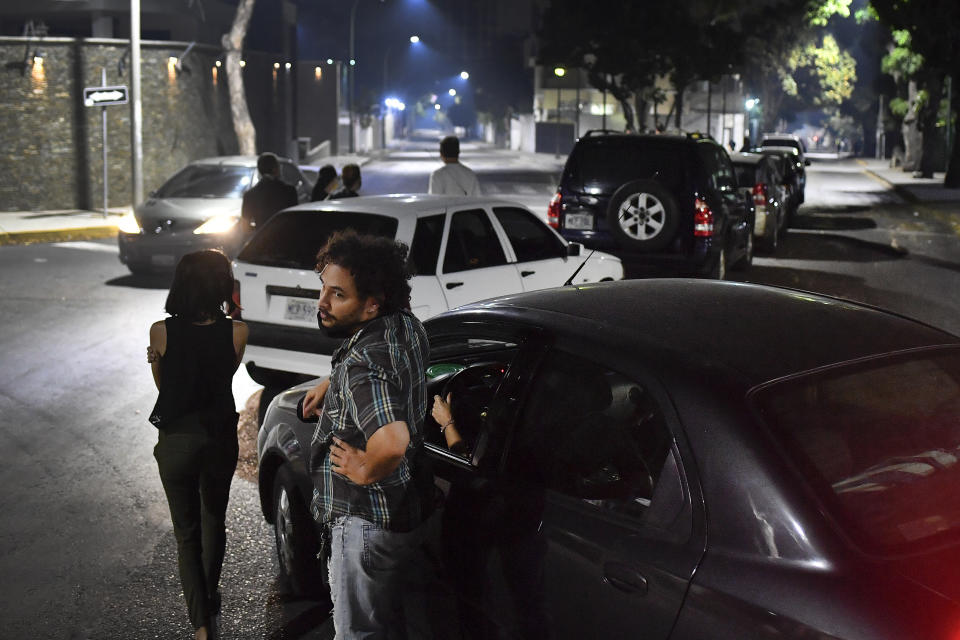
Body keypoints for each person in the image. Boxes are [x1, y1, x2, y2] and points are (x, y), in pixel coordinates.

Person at [300, 230, 429, 638]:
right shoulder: (403, 326)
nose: (322, 303)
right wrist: (334, 379)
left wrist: (363, 468)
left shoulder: (364, 365)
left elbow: (391, 442)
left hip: (364, 523)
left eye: (338, 295)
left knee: (359, 634)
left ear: (372, 304)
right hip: (401, 513)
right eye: (323, 288)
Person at [146, 249, 249, 640]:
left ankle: (202, 625)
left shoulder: (161, 331)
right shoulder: (238, 332)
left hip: (177, 442)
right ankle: (208, 594)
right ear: (221, 284)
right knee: (213, 520)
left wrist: (159, 360)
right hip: (219, 437)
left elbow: (166, 388)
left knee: (186, 534)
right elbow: (220, 378)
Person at [240, 152, 298, 232]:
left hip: (263, 241)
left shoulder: (250, 195)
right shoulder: (289, 191)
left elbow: (245, 227)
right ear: (275, 169)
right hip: (285, 239)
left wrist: (259, 230)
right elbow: (295, 220)